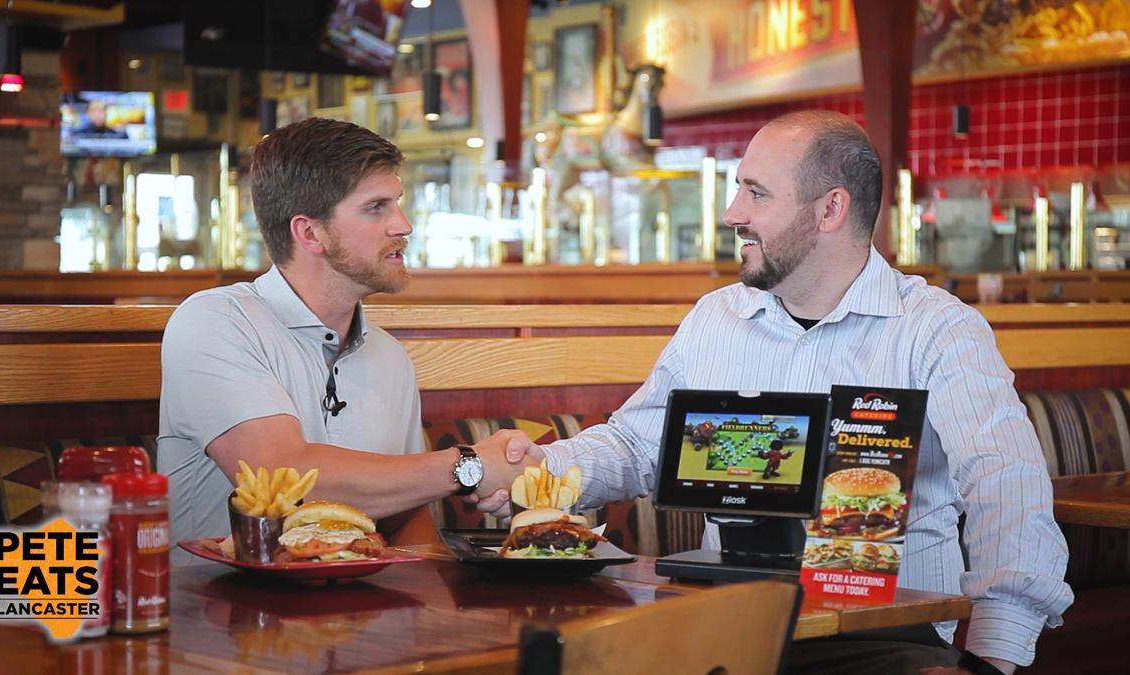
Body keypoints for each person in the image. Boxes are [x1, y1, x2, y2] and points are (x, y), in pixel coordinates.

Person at [496, 110, 1072, 674]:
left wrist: (992, 657)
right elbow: (639, 446)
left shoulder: (936, 329)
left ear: (830, 209)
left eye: (756, 193)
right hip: (728, 625)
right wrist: (536, 468)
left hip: (879, 633)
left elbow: (1005, 484)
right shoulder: (716, 317)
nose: (731, 214)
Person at [158, 118, 528, 557]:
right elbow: (283, 476)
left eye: (398, 203)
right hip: (224, 611)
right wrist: (468, 466)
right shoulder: (214, 322)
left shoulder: (389, 357)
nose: (403, 225)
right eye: (377, 207)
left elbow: (405, 516)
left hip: (360, 612)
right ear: (310, 233)